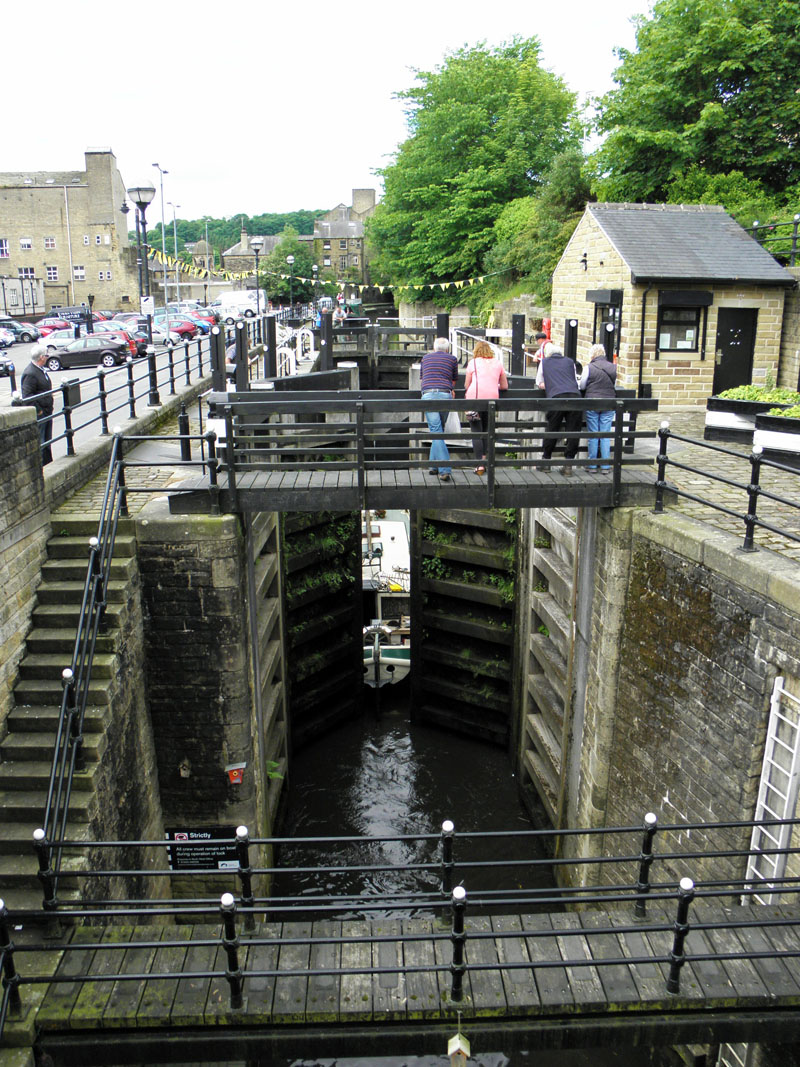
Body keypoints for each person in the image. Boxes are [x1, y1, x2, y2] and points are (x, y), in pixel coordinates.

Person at [535, 342, 581, 475]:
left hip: (556, 396)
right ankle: (568, 465)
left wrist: (549, 384)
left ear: (548, 354)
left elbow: (539, 382)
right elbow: (574, 380)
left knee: (552, 428)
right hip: (574, 396)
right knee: (573, 430)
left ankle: (546, 461)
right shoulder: (569, 361)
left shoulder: (544, 362)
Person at [463, 340, 508, 475]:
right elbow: (505, 386)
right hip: (491, 400)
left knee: (476, 431)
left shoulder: (473, 363)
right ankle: (486, 461)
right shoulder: (498, 363)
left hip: (474, 400)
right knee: (487, 431)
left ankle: (480, 465)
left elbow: (466, 385)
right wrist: (494, 385)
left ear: (476, 351)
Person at [420, 337, 458, 481]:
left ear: (434, 348)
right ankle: (444, 470)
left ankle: (434, 466)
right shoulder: (452, 359)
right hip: (444, 394)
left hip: (428, 395)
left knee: (437, 430)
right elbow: (453, 380)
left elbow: (423, 378)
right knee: (438, 430)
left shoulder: (425, 358)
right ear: (447, 349)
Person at [579, 343, 617, 473]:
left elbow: (582, 385)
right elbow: (614, 384)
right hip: (609, 402)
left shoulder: (588, 367)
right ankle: (605, 466)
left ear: (592, 355)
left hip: (592, 403)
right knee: (605, 434)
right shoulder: (613, 367)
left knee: (593, 434)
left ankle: (592, 465)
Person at [20, 346, 54, 466]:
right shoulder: (30, 373)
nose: (47, 357)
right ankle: (42, 465)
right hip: (41, 413)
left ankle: (48, 462)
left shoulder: (39, 369)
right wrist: (39, 411)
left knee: (47, 439)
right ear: (41, 357)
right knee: (42, 440)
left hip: (47, 410)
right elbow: (27, 396)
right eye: (46, 355)